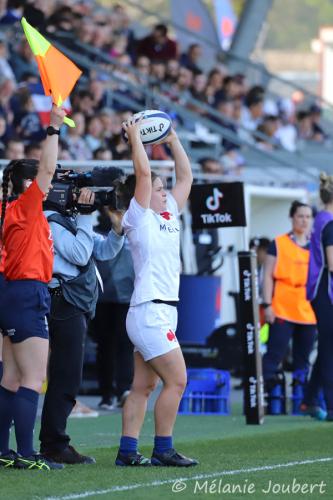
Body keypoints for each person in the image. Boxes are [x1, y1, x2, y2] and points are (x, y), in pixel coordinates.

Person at [115, 116, 197, 467]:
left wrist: (172, 137)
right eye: (160, 189)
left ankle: (127, 452)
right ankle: (163, 448)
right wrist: (136, 139)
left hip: (160, 310)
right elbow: (144, 176)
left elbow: (187, 176)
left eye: (165, 189)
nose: (165, 192)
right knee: (177, 380)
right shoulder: (139, 217)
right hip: (150, 311)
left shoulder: (169, 216)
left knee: (143, 387)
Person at [39, 176, 125, 464]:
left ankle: (52, 441)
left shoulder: (69, 220)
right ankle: (53, 444)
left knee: (66, 375)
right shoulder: (50, 220)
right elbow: (80, 252)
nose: (81, 197)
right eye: (76, 192)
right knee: (63, 375)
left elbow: (104, 251)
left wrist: (116, 227)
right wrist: (87, 217)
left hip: (69, 302)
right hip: (60, 301)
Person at [0, 104, 66, 470]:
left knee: (11, 376)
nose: (51, 185)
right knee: (33, 377)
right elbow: (49, 168)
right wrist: (53, 128)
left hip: (14, 292)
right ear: (29, 183)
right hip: (27, 292)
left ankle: (5, 451)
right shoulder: (25, 205)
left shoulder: (11, 208)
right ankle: (27, 454)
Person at [262, 201, 317, 397]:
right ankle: (266, 395)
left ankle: (299, 399)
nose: (304, 220)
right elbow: (267, 275)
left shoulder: (316, 246)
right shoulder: (278, 243)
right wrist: (267, 304)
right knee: (274, 354)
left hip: (308, 310)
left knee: (303, 358)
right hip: (282, 307)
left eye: (308, 217)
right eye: (300, 216)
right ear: (292, 217)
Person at [93, 208, 135, 411]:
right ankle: (107, 394)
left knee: (124, 345)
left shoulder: (132, 229)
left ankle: (123, 390)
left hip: (125, 297)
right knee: (105, 346)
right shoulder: (94, 232)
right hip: (101, 298)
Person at [306, 173, 333, 421]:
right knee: (328, 347)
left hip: (319, 288)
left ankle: (309, 399)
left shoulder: (321, 219)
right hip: (325, 288)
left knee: (327, 345)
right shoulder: (329, 222)